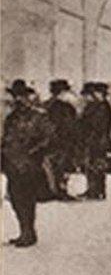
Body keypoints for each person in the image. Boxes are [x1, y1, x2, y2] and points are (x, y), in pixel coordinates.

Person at [2, 80, 52, 247]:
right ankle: (23, 230)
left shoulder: (39, 116)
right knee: (15, 198)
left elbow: (47, 139)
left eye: (22, 96)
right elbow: (5, 140)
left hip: (29, 165)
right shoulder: (11, 117)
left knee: (27, 199)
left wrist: (32, 154)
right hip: (11, 163)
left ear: (28, 97)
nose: (18, 100)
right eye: (16, 96)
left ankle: (28, 233)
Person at [43, 79, 78, 200]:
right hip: (63, 142)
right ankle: (61, 191)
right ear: (62, 92)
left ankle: (52, 190)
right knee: (62, 167)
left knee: (51, 167)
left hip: (49, 142)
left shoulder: (45, 105)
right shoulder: (66, 108)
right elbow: (71, 126)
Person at [78, 82, 111, 199]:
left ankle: (97, 191)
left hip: (98, 141)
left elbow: (97, 126)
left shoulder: (102, 107)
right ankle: (93, 190)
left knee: (96, 167)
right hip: (92, 140)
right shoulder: (95, 106)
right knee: (91, 166)